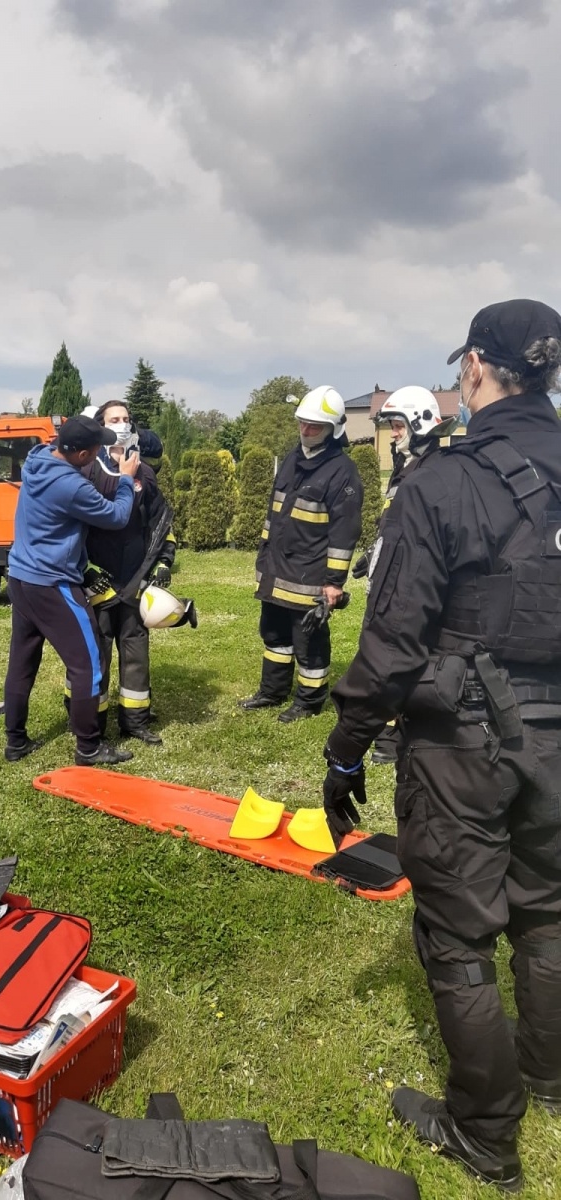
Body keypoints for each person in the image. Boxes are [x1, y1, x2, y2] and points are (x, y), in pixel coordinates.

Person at [321, 298, 561, 1192]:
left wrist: (345, 753)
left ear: (475, 368)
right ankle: (550, 1078)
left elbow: (390, 646)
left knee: (459, 938)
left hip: (463, 743)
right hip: (556, 739)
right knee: (548, 912)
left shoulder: (444, 481)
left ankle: (485, 1136)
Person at [2, 415, 139, 766]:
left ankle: (15, 741)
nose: (97, 457)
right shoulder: (71, 487)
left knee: (22, 661)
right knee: (88, 663)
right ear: (80, 455)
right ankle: (88, 747)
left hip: (20, 577)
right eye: (95, 452)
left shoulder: (38, 457)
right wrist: (125, 480)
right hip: (52, 583)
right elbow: (116, 516)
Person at [240, 386, 363, 723]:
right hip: (277, 566)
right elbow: (274, 513)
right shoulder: (293, 459)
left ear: (334, 430)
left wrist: (334, 583)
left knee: (309, 641)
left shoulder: (343, 472)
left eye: (315, 427)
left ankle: (309, 701)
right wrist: (263, 560)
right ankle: (273, 691)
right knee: (274, 633)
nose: (306, 431)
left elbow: (344, 533)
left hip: (311, 573)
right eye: (303, 424)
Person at [363, 387, 456, 764]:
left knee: (405, 657)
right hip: (391, 576)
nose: (394, 433)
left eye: (399, 425)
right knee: (384, 655)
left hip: (413, 583)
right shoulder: (405, 469)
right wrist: (374, 555)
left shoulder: (435, 470)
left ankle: (397, 736)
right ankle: (387, 732)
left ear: (419, 425)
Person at [78, 400, 177, 745]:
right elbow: (71, 529)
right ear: (100, 426)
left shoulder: (145, 474)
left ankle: (135, 722)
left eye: (125, 419)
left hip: (135, 583)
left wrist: (164, 562)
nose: (120, 424)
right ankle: (91, 724)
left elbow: (161, 524)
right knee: (96, 656)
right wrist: (84, 571)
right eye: (112, 419)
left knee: (136, 655)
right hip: (97, 585)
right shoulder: (87, 472)